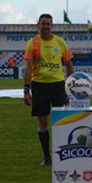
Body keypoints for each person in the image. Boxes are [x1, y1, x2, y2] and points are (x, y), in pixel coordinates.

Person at [23, 13, 74, 166]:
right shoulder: (33, 43)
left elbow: (69, 65)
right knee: (43, 121)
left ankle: (63, 154)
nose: (45, 26)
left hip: (58, 85)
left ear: (52, 26)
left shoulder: (60, 42)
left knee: (62, 121)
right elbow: (29, 67)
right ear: (38, 25)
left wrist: (71, 86)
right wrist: (26, 90)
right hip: (39, 86)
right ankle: (47, 156)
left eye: (48, 24)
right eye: (43, 24)